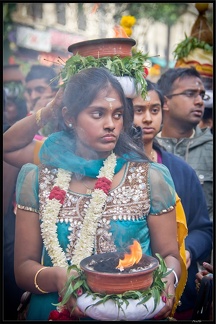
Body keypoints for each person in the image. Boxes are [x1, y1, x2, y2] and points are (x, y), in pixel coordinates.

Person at [14, 67, 181, 321]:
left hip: (133, 310)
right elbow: (23, 268)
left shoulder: (150, 177)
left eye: (117, 114)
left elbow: (170, 254)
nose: (111, 124)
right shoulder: (39, 179)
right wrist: (58, 277)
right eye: (97, 113)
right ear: (69, 117)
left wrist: (171, 276)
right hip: (55, 309)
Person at [129, 79, 212, 320]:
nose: (147, 119)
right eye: (138, 110)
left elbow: (203, 229)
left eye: (154, 110)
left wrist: (188, 251)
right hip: (125, 288)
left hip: (176, 290)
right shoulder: (108, 170)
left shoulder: (181, 171)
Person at [156, 67, 213, 221]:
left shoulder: (210, 149)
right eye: (190, 94)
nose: (200, 101)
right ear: (165, 102)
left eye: (202, 95)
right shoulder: (147, 148)